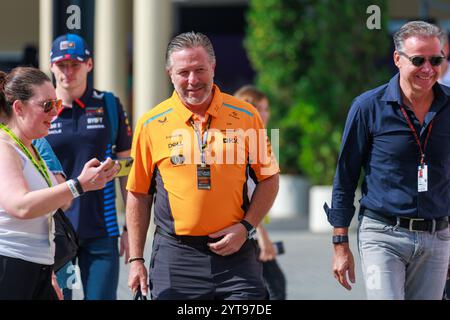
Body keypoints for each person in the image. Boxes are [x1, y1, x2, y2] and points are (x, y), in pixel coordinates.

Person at [126, 31, 280, 300]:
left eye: (200, 70)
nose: (193, 80)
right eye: (183, 72)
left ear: (213, 67)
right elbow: (139, 193)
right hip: (176, 257)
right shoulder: (150, 124)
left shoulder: (246, 117)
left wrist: (246, 227)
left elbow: (269, 178)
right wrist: (136, 259)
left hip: (236, 256)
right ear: (169, 73)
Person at [324, 21, 450, 300]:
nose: (428, 69)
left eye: (436, 60)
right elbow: (345, 179)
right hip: (383, 235)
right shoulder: (367, 107)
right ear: (397, 59)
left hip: (438, 236)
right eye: (418, 60)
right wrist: (340, 244)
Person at [0, 67, 118, 300]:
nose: (54, 112)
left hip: (37, 266)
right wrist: (79, 185)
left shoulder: (32, 146)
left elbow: (58, 206)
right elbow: (20, 206)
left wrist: (49, 271)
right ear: (19, 108)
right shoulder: (5, 147)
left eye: (57, 104)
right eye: (46, 105)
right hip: (11, 267)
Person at [45, 33, 133, 300]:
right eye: (62, 64)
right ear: (51, 66)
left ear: (89, 65)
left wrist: (131, 228)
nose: (68, 72)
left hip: (102, 231)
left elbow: (127, 170)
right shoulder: (42, 109)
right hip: (55, 234)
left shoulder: (108, 104)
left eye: (75, 64)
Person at [234, 85, 286, 300]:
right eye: (259, 108)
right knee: (273, 288)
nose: (265, 114)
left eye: (266, 108)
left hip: (249, 229)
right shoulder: (243, 141)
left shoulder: (260, 140)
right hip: (245, 230)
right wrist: (262, 236)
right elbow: (246, 193)